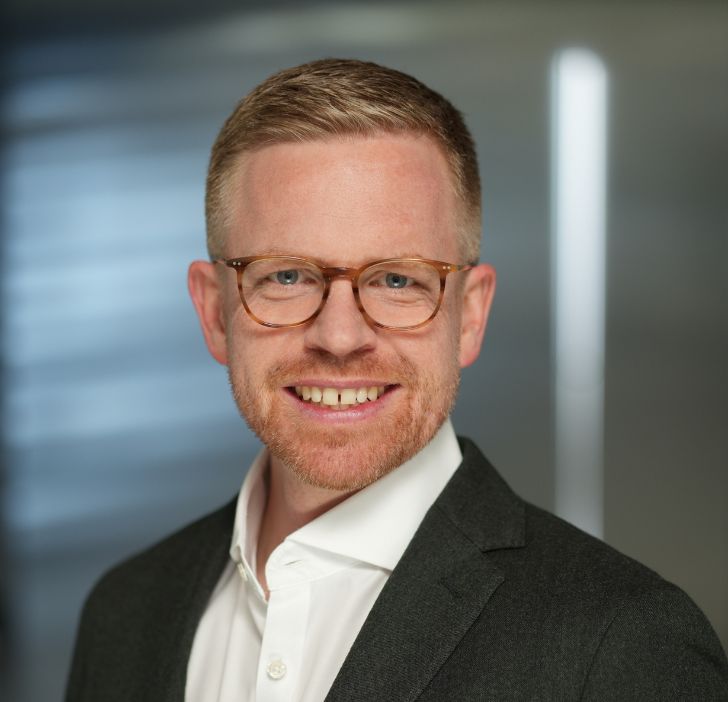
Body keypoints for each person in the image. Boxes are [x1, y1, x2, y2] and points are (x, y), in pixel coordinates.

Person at [65, 58, 728, 702]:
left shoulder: (624, 644)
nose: (339, 337)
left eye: (397, 280)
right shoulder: (125, 614)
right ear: (214, 312)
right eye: (287, 276)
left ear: (470, 317)